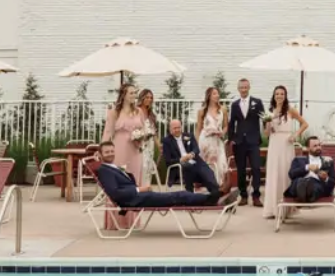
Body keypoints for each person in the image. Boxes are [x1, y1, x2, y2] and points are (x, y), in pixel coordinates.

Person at [95, 141, 236, 210]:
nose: (110, 154)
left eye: (112, 151)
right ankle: (215, 196)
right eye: (107, 152)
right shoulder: (104, 170)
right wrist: (139, 190)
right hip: (134, 200)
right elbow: (115, 193)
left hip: (140, 197)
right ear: (100, 155)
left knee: (179, 195)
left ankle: (214, 197)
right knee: (179, 196)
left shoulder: (111, 167)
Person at [263, 85, 308, 219]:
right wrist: (269, 123)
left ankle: (287, 207)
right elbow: (266, 133)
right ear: (274, 96)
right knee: (274, 172)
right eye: (277, 94)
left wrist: (295, 134)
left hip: (286, 142)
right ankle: (272, 208)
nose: (279, 96)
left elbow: (304, 124)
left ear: (285, 95)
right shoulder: (270, 111)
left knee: (285, 171)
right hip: (274, 142)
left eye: (282, 94)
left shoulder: (290, 110)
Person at [227, 78, 265, 206]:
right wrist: (231, 139)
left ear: (249, 88)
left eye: (245, 87)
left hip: (253, 141)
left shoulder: (257, 102)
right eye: (241, 87)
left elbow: (264, 118)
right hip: (240, 142)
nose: (243, 89)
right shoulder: (235, 104)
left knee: (256, 168)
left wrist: (267, 130)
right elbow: (232, 123)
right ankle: (243, 195)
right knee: (241, 170)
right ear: (238, 89)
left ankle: (256, 196)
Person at [161, 119, 220, 198]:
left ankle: (215, 194)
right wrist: (181, 160)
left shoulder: (189, 136)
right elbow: (168, 161)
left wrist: (192, 154)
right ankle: (190, 196)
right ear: (170, 129)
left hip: (195, 162)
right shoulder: (166, 141)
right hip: (180, 166)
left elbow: (196, 149)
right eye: (175, 128)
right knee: (188, 167)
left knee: (206, 171)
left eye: (179, 127)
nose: (177, 130)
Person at [102, 83, 147, 185]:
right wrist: (102, 149)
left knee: (134, 174)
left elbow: (144, 130)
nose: (134, 95)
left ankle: (135, 198)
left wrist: (140, 137)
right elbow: (107, 132)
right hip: (120, 147)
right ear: (124, 95)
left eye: (135, 93)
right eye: (131, 93)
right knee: (120, 173)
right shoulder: (114, 112)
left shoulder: (138, 111)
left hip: (135, 148)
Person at [285, 136, 335, 203]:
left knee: (314, 186)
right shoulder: (298, 160)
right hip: (299, 182)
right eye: (315, 146)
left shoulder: (328, 162)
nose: (318, 147)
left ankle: (303, 195)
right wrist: (307, 167)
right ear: (307, 148)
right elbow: (291, 174)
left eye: (319, 145)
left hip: (317, 185)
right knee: (299, 182)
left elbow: (333, 183)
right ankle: (305, 194)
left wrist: (326, 178)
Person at [196, 87, 229, 186]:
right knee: (207, 164)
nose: (217, 95)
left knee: (220, 163)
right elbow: (199, 128)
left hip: (218, 141)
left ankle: (218, 187)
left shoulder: (223, 109)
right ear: (209, 96)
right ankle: (207, 186)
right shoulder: (201, 111)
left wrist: (222, 133)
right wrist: (197, 144)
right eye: (214, 94)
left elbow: (226, 126)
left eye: (218, 93)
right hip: (205, 141)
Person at [136, 89, 159, 183]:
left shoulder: (152, 115)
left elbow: (154, 133)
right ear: (142, 98)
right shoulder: (136, 111)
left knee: (149, 167)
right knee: (142, 166)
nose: (149, 99)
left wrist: (159, 145)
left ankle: (146, 187)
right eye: (147, 97)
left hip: (150, 145)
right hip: (140, 143)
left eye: (151, 98)